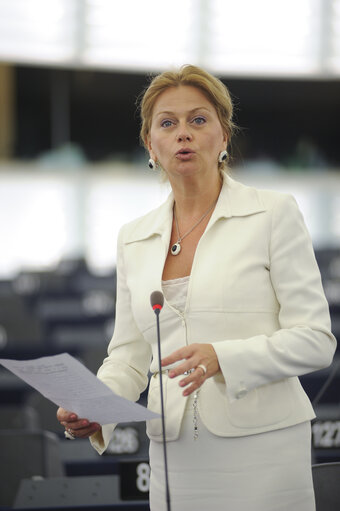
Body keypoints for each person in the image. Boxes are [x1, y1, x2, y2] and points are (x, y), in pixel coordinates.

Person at [57, 65, 336, 511]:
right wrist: (96, 409)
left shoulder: (274, 214)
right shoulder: (133, 236)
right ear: (151, 144)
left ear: (223, 136)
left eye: (198, 120)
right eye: (167, 123)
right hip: (174, 455)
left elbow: (316, 341)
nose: (183, 133)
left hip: (265, 449)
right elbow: (129, 357)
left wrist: (222, 357)